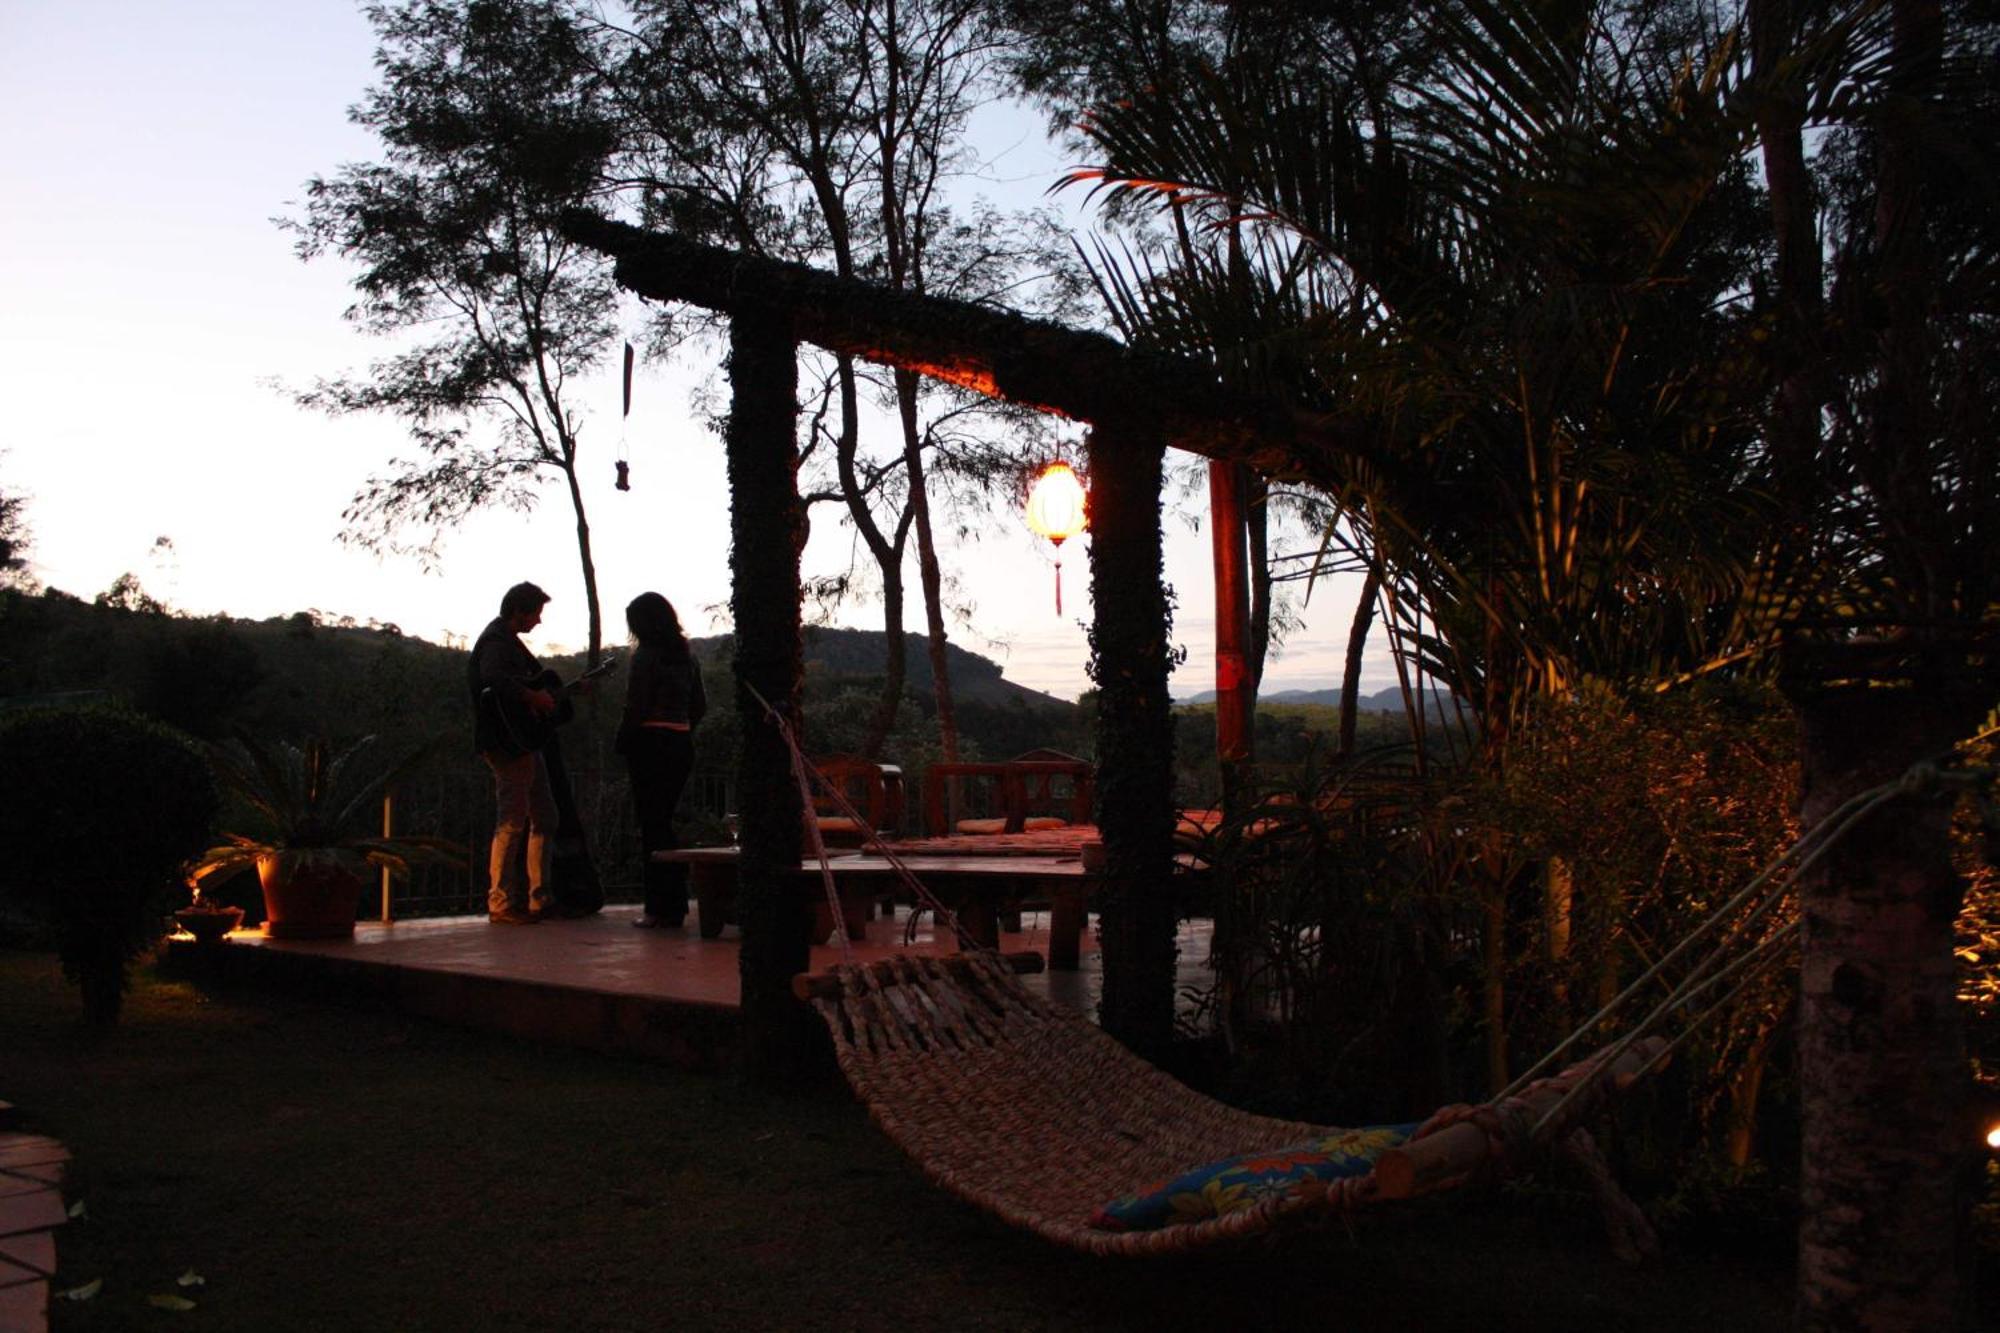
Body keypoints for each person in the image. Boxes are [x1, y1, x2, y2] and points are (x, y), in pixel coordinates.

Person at [470, 581, 560, 924]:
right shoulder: (495, 641)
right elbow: (492, 677)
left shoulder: (510, 644)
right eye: (536, 613)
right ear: (518, 611)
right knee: (511, 821)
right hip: (506, 742)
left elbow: (531, 683)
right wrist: (531, 697)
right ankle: (501, 902)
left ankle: (540, 897)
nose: (538, 621)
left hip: (522, 742)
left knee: (545, 816)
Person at [619, 591, 706, 928]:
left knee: (652, 825)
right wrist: (683, 729)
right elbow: (699, 705)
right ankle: (674, 904)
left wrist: (625, 739)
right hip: (680, 743)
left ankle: (660, 907)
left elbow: (635, 705)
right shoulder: (688, 657)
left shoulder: (645, 657)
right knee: (665, 822)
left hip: (650, 743)